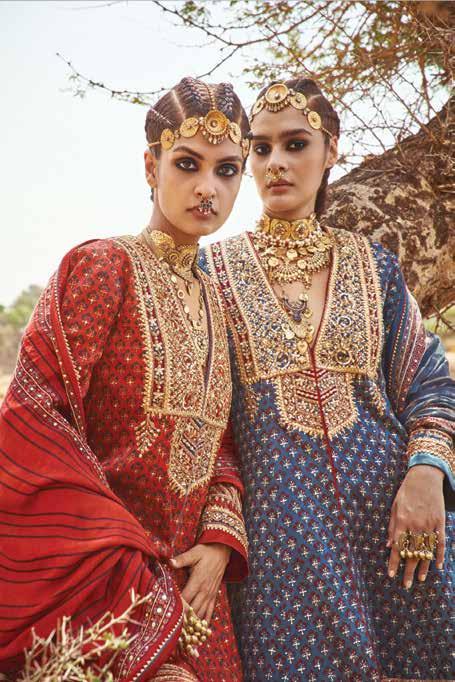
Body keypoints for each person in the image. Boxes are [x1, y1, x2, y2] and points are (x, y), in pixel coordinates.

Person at [200, 78, 454, 681]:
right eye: (261, 148)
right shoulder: (211, 274)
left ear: (331, 149)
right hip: (282, 556)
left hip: (401, 534)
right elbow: (204, 426)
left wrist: (426, 474)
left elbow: (429, 382)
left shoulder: (375, 266)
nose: (277, 163)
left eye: (296, 144)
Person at [0, 76, 250, 681]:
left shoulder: (221, 302)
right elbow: (35, 416)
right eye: (187, 164)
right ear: (149, 166)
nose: (207, 187)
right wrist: (130, 570)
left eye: (227, 170)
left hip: (198, 599)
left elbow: (220, 442)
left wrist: (219, 541)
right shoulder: (102, 267)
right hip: (103, 592)